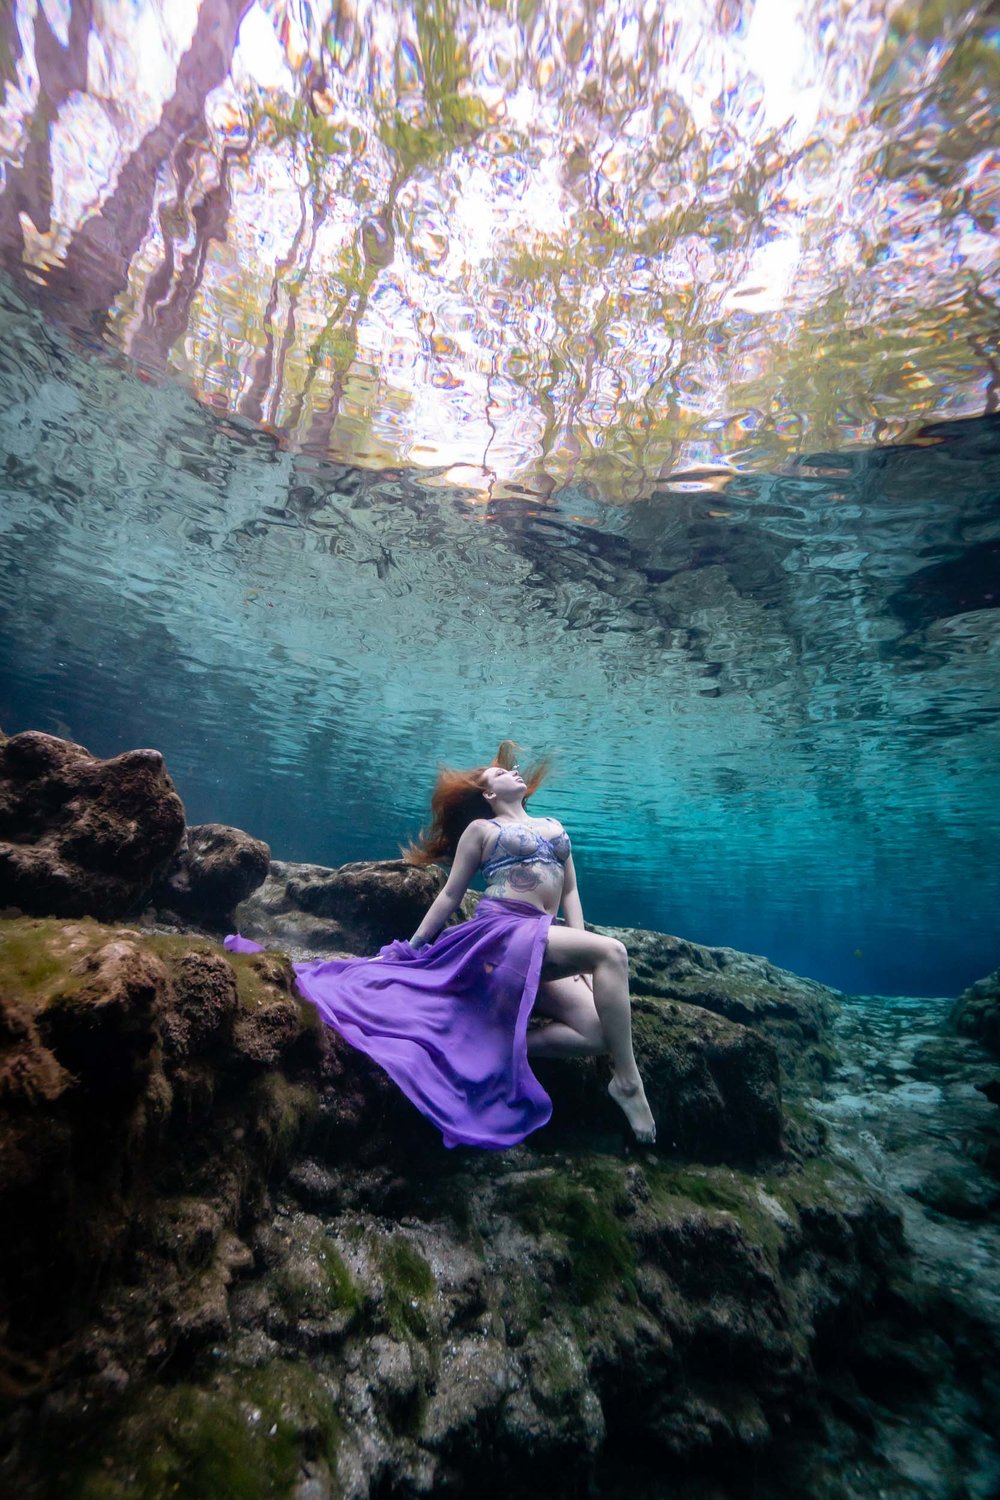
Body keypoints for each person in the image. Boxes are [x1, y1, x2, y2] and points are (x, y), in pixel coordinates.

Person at [226, 742, 655, 1149]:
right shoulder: (482, 829)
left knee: (599, 1032)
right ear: (487, 792)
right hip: (502, 934)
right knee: (613, 951)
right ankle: (628, 1081)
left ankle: (493, 1048)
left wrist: (581, 962)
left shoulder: (554, 828)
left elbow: (572, 894)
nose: (515, 771)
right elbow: (451, 895)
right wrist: (413, 946)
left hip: (543, 936)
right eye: (502, 772)